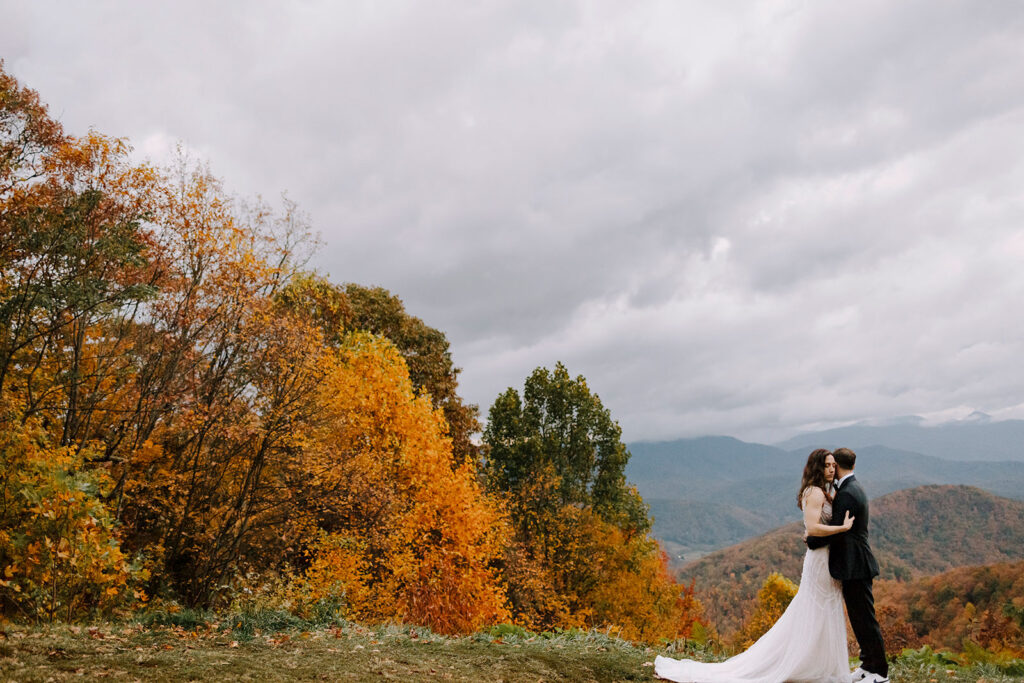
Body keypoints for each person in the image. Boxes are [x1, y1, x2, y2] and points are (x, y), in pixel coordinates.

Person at [654, 449, 853, 682]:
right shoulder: (816, 493)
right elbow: (813, 528)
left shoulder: (822, 492)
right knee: (816, 609)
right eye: (827, 465)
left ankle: (816, 663)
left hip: (823, 556)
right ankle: (806, 663)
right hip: (819, 560)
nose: (831, 469)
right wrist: (842, 529)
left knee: (820, 610)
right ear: (818, 467)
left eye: (833, 465)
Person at [807, 447, 889, 682]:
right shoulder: (853, 488)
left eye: (833, 465)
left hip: (856, 565)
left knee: (866, 620)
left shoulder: (846, 493)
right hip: (854, 564)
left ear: (839, 466)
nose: (830, 469)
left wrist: (811, 540)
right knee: (859, 619)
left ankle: (879, 672)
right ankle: (867, 665)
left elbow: (837, 531)